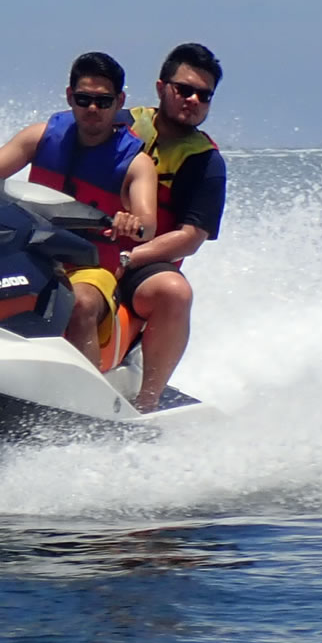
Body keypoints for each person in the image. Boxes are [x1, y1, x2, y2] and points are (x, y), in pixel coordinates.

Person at [0, 52, 156, 368]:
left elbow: (148, 223)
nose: (92, 109)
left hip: (91, 266)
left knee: (81, 304)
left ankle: (85, 406)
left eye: (103, 101)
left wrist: (132, 221)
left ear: (119, 100)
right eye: (83, 99)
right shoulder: (40, 137)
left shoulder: (136, 164)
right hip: (30, 251)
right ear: (70, 97)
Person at [118, 43, 225, 411]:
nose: (193, 99)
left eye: (204, 95)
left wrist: (129, 257)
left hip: (140, 269)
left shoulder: (205, 162)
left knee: (175, 292)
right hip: (79, 242)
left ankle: (146, 403)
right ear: (162, 87)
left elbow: (190, 238)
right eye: (184, 89)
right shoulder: (121, 123)